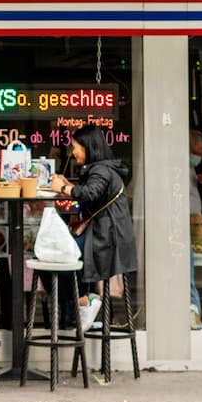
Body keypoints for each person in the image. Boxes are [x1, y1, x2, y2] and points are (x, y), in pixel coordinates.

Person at [49, 124, 138, 322]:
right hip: (107, 236)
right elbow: (95, 195)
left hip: (106, 238)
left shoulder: (101, 170)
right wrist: (71, 187)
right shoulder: (104, 169)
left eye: (76, 147)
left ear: (87, 147)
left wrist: (63, 187)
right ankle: (79, 306)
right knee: (65, 257)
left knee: (64, 256)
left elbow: (90, 193)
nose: (73, 153)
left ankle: (80, 306)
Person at [188, 130, 202, 328]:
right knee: (187, 272)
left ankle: (194, 311)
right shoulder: (177, 167)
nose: (198, 157)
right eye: (196, 152)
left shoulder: (192, 170)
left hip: (195, 226)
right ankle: (192, 310)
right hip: (180, 229)